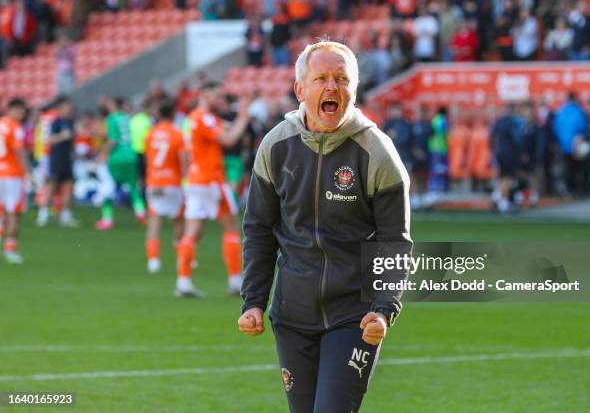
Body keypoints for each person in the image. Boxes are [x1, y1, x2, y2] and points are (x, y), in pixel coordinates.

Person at [238, 41, 412, 412]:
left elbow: (394, 242)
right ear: (301, 90)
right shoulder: (276, 146)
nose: (332, 87)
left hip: (355, 315)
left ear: (354, 88)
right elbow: (258, 229)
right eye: (321, 78)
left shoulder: (377, 153)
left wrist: (383, 308)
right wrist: (253, 300)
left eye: (341, 79)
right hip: (292, 315)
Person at [175, 82, 250, 297]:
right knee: (231, 228)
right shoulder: (204, 117)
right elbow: (229, 139)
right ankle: (236, 281)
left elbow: (225, 127)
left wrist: (238, 118)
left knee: (192, 233)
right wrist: (244, 117)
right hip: (211, 179)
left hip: (194, 180)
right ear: (206, 96)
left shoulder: (191, 119)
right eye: (217, 96)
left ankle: (183, 282)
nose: (220, 100)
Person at [143, 101, 188, 273]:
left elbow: (148, 157)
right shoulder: (177, 134)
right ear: (173, 114)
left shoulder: (151, 134)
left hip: (154, 181)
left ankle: (153, 261)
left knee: (155, 220)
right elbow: (183, 159)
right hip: (173, 182)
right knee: (179, 219)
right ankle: (181, 258)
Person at [96, 97, 147, 230]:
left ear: (114, 105)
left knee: (109, 188)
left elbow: (113, 140)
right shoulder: (127, 118)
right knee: (133, 186)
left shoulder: (111, 119)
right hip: (131, 155)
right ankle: (141, 212)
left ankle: (107, 219)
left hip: (117, 158)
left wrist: (102, 154)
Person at [37, 96, 79, 227]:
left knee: (69, 186)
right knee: (52, 186)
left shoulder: (70, 122)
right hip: (56, 158)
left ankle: (66, 216)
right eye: (67, 107)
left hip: (67, 159)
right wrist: (61, 136)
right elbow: (47, 140)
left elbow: (71, 142)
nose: (70, 109)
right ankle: (42, 214)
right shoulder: (55, 122)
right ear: (60, 108)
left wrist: (74, 154)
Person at [0, 98, 30, 264]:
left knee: (2, 211)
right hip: (12, 174)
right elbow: (19, 151)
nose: (21, 114)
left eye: (23, 111)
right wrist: (29, 173)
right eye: (19, 110)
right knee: (14, 212)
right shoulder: (15, 127)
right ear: (10, 110)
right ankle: (10, 250)